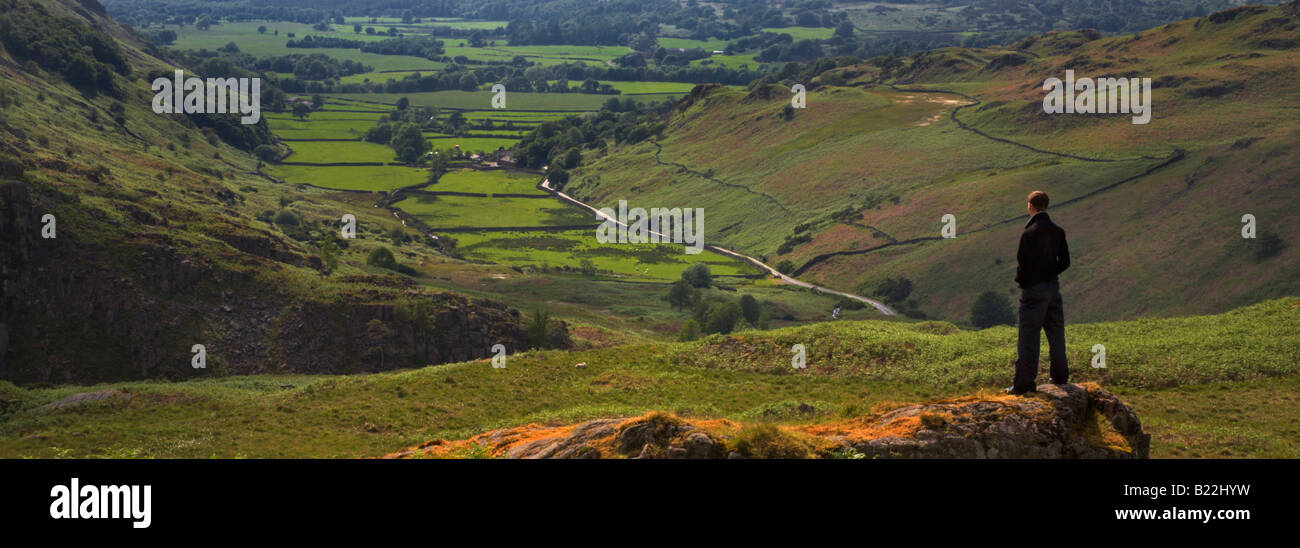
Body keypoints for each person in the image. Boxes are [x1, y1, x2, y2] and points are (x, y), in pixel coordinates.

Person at [1007, 190, 1070, 394]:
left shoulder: (1029, 233)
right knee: (1056, 333)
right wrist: (1050, 273)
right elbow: (1065, 262)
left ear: (1030, 206)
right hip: (1053, 288)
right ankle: (1060, 377)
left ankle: (1024, 383)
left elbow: (1023, 265)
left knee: (1029, 336)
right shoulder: (1058, 231)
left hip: (1034, 290)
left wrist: (1027, 282)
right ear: (1047, 205)